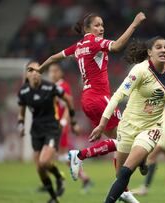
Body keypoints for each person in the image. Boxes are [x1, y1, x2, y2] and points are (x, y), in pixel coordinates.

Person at [35, 11, 146, 202]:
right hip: (99, 98)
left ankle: (123, 190)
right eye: (96, 25)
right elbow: (118, 46)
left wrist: (40, 69)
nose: (101, 28)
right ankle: (79, 155)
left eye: (102, 25)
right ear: (87, 29)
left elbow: (54, 57)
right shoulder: (94, 42)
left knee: (122, 142)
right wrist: (135, 23)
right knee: (126, 139)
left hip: (88, 100)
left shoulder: (78, 46)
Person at [89, 36, 165, 203]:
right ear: (149, 52)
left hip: (151, 127)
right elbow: (118, 96)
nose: (163, 50)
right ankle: (141, 161)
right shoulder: (139, 71)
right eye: (158, 47)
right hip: (128, 126)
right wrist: (102, 124)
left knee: (126, 172)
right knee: (120, 176)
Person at [17, 60, 78, 203]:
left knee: (44, 162)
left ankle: (58, 177)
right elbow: (21, 112)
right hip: (36, 131)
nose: (35, 74)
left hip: (52, 128)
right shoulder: (24, 91)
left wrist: (72, 121)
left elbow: (68, 99)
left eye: (38, 71)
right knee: (39, 167)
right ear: (26, 74)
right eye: (31, 70)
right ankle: (54, 197)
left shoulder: (50, 87)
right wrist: (20, 125)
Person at [47, 63, 92, 193]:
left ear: (60, 73)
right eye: (50, 71)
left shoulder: (63, 86)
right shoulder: (53, 87)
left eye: (55, 71)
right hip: (53, 125)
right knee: (57, 156)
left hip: (59, 126)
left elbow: (68, 104)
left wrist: (64, 121)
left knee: (55, 156)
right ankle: (82, 177)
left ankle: (60, 181)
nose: (52, 74)